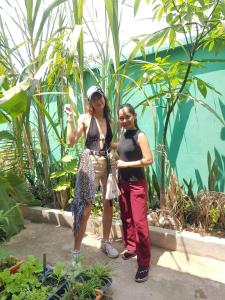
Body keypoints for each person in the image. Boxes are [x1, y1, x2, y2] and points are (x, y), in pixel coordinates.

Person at [65, 85, 119, 259]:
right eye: (94, 98)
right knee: (85, 207)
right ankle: (76, 251)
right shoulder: (85, 119)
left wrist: (129, 144)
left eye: (100, 96)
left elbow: (110, 143)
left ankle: (105, 242)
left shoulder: (110, 121)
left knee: (108, 203)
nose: (98, 100)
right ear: (90, 102)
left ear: (104, 97)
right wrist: (70, 119)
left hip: (108, 162)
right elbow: (71, 141)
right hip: (91, 162)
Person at [117, 103, 153, 282]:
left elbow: (148, 160)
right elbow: (122, 151)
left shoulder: (140, 136)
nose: (124, 120)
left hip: (136, 184)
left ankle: (144, 263)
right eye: (121, 118)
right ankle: (131, 247)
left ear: (134, 116)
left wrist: (125, 165)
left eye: (127, 117)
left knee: (139, 223)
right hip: (122, 183)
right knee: (127, 218)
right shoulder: (123, 135)